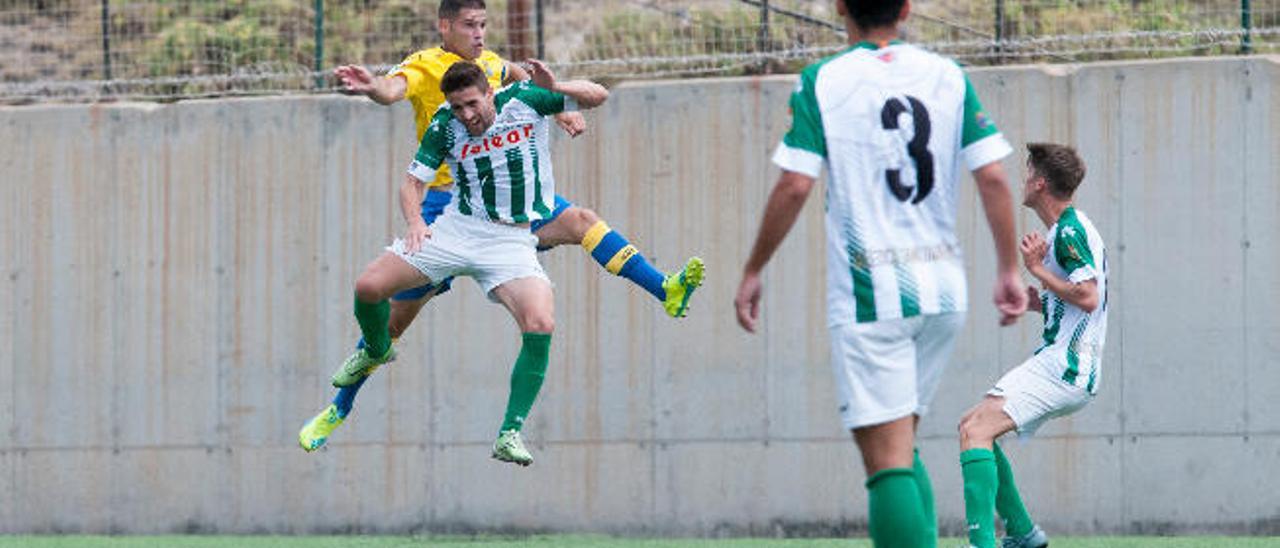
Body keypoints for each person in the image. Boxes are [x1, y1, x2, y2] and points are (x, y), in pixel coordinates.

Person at [299, 0, 704, 452]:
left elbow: (527, 84)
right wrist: (372, 86)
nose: (479, 34)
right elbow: (393, 90)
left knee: (582, 223)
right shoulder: (425, 65)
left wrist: (559, 104)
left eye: (483, 25)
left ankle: (665, 288)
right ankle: (339, 407)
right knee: (393, 322)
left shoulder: (490, 66)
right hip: (448, 206)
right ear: (445, 26)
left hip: (512, 204)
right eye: (469, 26)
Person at [732, 1, 1027, 546]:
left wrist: (753, 268)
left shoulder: (825, 79)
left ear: (840, 7)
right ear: (908, 6)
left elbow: (796, 184)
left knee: (886, 462)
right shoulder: (947, 75)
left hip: (874, 295)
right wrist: (1009, 266)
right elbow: (994, 178)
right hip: (943, 292)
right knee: (903, 442)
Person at [332, 60, 607, 466]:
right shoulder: (445, 125)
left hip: (510, 240)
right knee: (368, 288)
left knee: (541, 323)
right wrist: (415, 222)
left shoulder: (526, 100)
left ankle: (510, 432)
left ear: (490, 94)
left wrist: (556, 85)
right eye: (457, 106)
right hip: (458, 231)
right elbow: (413, 182)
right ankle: (375, 349)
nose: (467, 115)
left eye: (473, 104)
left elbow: (598, 95)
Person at [957, 143, 1106, 548]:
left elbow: (1089, 296)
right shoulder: (1067, 229)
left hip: (1067, 366)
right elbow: (1079, 301)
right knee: (974, 426)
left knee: (975, 430)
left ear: (1040, 183)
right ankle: (1022, 533)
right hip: (1063, 361)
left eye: (1027, 174)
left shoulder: (1071, 231)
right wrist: (1037, 300)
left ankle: (986, 542)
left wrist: (1037, 269)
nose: (1023, 181)